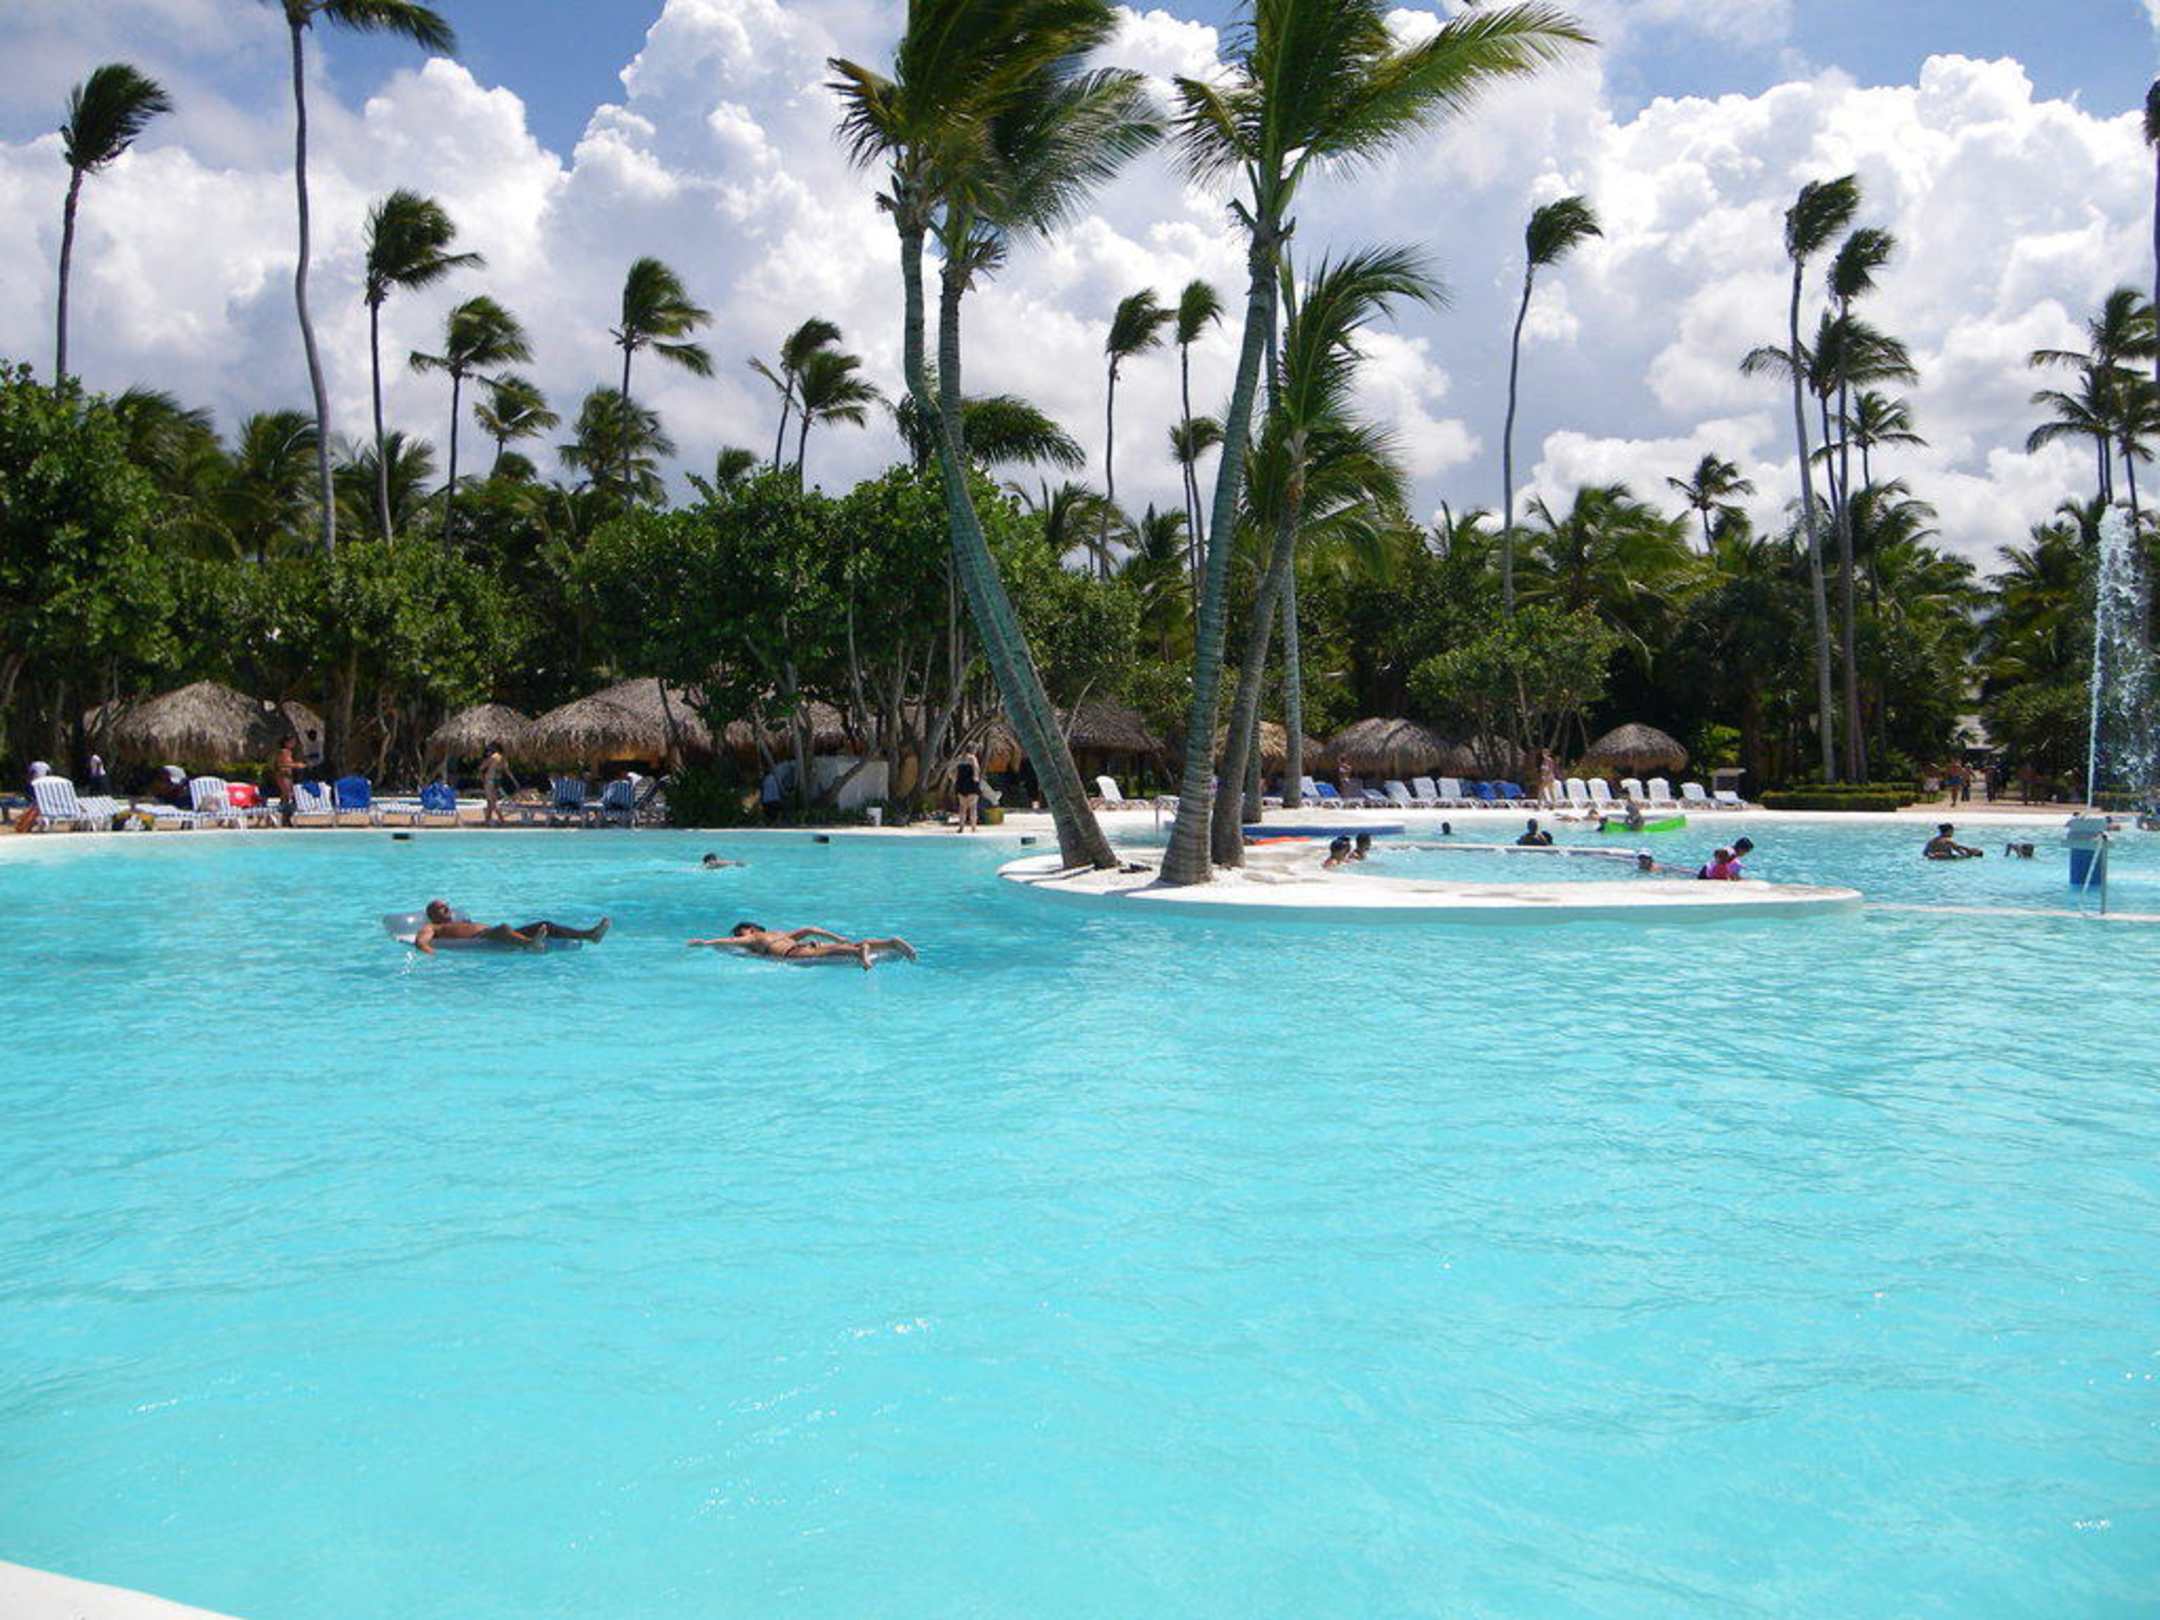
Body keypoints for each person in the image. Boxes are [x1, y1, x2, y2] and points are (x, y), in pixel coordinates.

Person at [690, 921, 916, 971]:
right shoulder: (779, 933)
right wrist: (838, 938)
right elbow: (811, 929)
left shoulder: (753, 938)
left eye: (740, 932)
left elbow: (730, 942)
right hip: (801, 945)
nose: (740, 936)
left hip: (794, 953)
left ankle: (859, 953)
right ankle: (889, 943)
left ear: (749, 929)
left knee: (826, 953)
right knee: (827, 948)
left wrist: (705, 943)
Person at [412, 898, 610, 955]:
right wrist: (427, 950)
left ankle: (590, 935)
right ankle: (530, 944)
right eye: (442, 907)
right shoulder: (434, 927)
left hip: (492, 933)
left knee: (545, 924)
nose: (447, 908)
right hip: (483, 937)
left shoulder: (462, 921)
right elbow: (421, 941)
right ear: (433, 914)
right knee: (504, 928)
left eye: (447, 905)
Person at [479, 741, 519, 828]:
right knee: (490, 802)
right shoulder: (503, 759)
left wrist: (483, 779)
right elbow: (508, 772)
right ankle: (487, 820)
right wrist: (515, 781)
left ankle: (502, 820)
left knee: (492, 802)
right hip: (497, 782)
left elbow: (481, 768)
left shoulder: (493, 757)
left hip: (490, 781)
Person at [271, 734, 300, 826]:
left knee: (287, 797)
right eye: (292, 742)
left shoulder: (289, 752)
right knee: (287, 796)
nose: (294, 744)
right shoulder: (283, 752)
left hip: (288, 776)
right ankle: (282, 817)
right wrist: (296, 765)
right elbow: (281, 764)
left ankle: (285, 819)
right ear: (286, 742)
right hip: (283, 776)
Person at [13, 761, 49, 833]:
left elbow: (30, 775)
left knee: (34, 806)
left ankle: (29, 824)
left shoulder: (34, 766)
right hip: (43, 789)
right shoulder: (46, 766)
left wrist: (28, 781)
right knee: (36, 806)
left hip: (35, 787)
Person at [953, 750, 981, 834]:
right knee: (973, 807)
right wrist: (976, 779)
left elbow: (953, 771)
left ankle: (961, 828)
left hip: (960, 784)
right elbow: (976, 769)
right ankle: (973, 828)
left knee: (962, 808)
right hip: (971, 784)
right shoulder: (972, 758)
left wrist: (955, 780)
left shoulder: (958, 759)